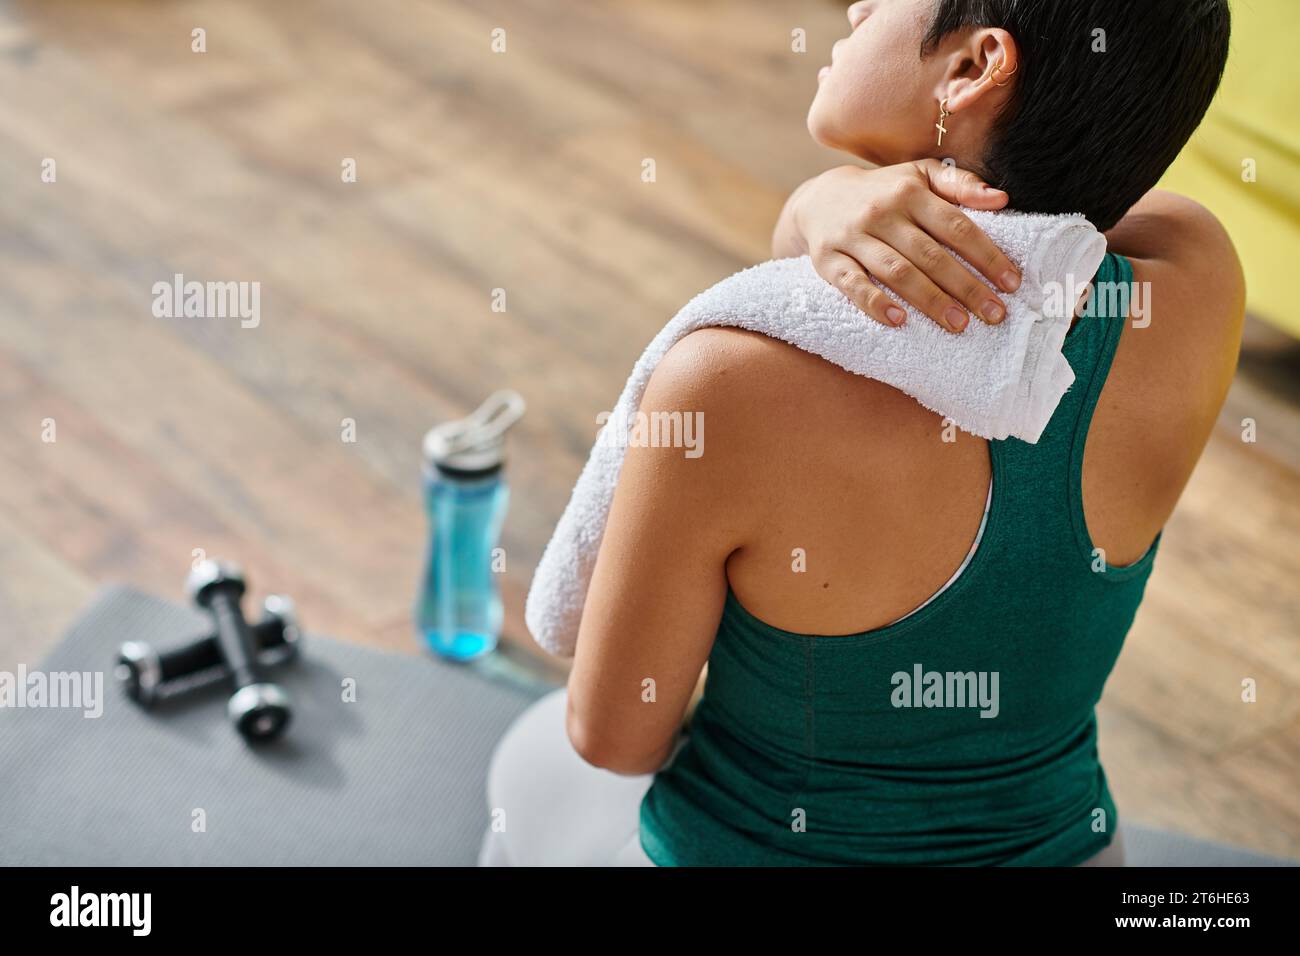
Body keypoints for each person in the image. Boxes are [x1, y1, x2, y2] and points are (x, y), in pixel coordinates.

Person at [482, 0, 1243, 866]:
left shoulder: (727, 381)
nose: (859, 7)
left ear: (972, 67)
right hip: (1070, 855)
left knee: (537, 763)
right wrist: (824, 202)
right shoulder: (1194, 279)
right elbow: (1063, 242)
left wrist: (822, 196)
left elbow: (614, 737)